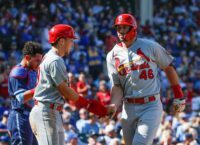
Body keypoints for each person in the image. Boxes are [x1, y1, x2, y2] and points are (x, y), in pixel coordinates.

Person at [106, 13, 186, 145]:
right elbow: (117, 86)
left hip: (151, 104)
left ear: (133, 29)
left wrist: (179, 95)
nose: (120, 32)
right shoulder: (112, 56)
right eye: (118, 28)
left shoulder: (150, 46)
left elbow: (168, 67)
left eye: (124, 28)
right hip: (128, 106)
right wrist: (114, 105)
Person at [29, 24, 115, 145]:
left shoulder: (51, 57)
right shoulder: (55, 60)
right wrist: (92, 106)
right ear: (62, 41)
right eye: (71, 40)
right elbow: (65, 91)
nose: (72, 44)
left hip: (51, 110)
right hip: (46, 111)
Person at [7, 41, 43, 145]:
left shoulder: (32, 70)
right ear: (27, 58)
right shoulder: (18, 72)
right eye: (37, 61)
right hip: (20, 116)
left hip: (31, 117)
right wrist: (42, 87)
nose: (39, 64)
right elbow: (21, 98)